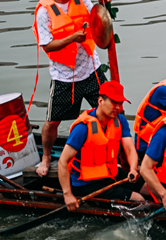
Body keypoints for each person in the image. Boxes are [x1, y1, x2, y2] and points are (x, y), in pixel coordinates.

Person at [33, 0, 107, 178]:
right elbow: (47, 45)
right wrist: (72, 38)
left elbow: (97, 21)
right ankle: (46, 157)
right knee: (52, 121)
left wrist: (103, 7)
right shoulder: (44, 11)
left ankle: (112, 152)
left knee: (110, 111)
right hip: (65, 75)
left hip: (91, 69)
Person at [57, 81, 144, 211]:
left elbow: (130, 150)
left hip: (110, 173)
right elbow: (62, 161)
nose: (118, 107)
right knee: (139, 199)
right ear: (100, 101)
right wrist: (67, 195)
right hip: (86, 182)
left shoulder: (120, 120)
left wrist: (133, 169)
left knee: (149, 188)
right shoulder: (83, 127)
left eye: (120, 103)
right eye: (114, 102)